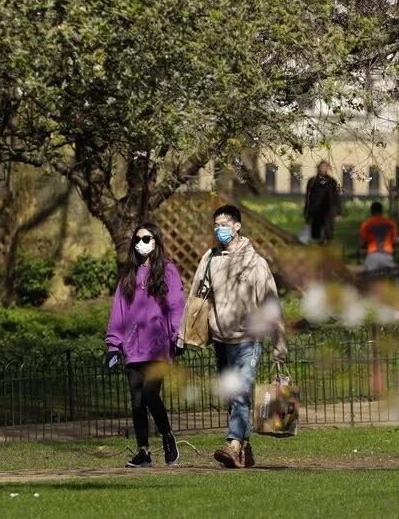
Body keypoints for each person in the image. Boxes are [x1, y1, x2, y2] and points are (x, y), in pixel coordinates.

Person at [179, 204, 288, 469]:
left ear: (237, 226)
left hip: (248, 340)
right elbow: (195, 297)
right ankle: (245, 447)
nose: (219, 230)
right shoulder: (210, 259)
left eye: (224, 225)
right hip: (220, 338)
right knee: (232, 395)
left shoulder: (256, 264)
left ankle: (234, 443)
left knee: (240, 391)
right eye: (216, 225)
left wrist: (279, 343)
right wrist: (183, 334)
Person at [105, 223, 185, 468]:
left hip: (158, 346)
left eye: (147, 238)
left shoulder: (168, 272)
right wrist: (112, 345)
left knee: (151, 393)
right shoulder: (128, 276)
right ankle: (143, 452)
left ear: (156, 240)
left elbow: (176, 306)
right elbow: (118, 312)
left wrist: (177, 335)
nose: (142, 242)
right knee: (137, 401)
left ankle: (168, 437)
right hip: (132, 348)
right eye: (137, 239)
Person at [303, 161, 342, 244]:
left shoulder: (332, 182)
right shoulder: (312, 181)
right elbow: (308, 197)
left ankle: (326, 246)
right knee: (316, 232)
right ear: (318, 168)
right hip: (315, 210)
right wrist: (306, 212)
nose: (323, 169)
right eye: (321, 167)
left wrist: (338, 211)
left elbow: (336, 197)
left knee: (328, 231)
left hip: (328, 210)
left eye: (325, 167)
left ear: (328, 168)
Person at [359, 201, 399, 271]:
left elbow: (362, 242)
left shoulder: (366, 224)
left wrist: (365, 246)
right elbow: (397, 241)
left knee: (370, 279)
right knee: (389, 279)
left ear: (371, 211)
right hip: (387, 255)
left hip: (373, 254)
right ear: (381, 211)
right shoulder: (391, 224)